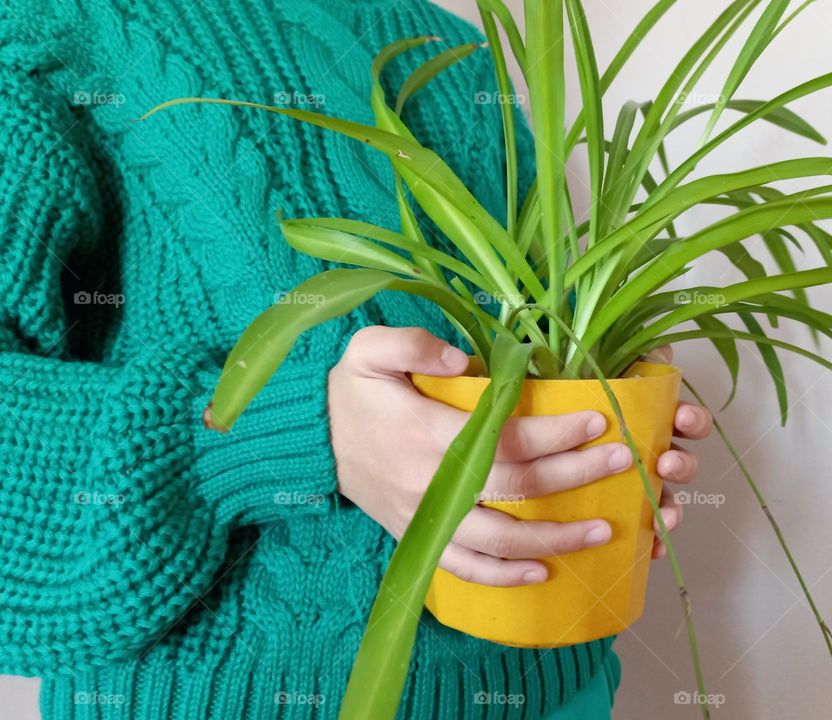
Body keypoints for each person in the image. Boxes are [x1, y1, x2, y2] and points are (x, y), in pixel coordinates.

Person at [0, 0, 711, 717]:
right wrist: (292, 435)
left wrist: (600, 401)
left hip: (556, 685)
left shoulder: (455, 47)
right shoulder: (54, 28)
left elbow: (532, 318)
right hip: (221, 700)